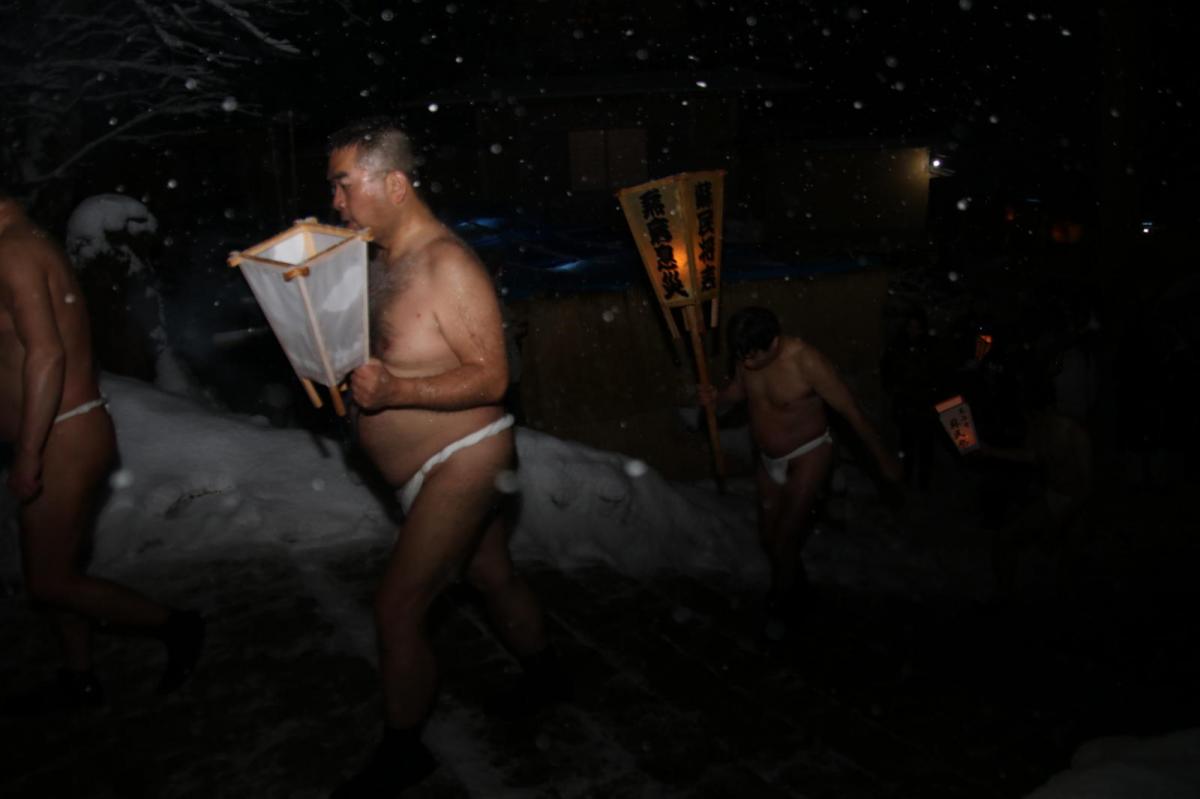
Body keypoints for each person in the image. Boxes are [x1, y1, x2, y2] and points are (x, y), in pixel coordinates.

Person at [326, 118, 566, 797]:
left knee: (397, 607)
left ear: (394, 184)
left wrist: (398, 389)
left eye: (344, 186)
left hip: (463, 456)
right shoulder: (379, 259)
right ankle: (549, 674)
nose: (337, 204)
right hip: (428, 466)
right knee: (490, 572)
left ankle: (405, 753)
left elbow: (492, 377)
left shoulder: (446, 263)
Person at [0, 193, 203, 712]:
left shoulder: (14, 251)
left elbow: (46, 353)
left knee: (48, 582)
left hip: (58, 435)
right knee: (56, 567)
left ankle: (176, 627)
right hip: (57, 432)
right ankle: (78, 675)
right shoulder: (26, 243)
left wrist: (28, 451)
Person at [699, 306, 903, 637]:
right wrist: (718, 397)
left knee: (783, 539)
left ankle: (782, 608)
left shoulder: (806, 361)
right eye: (742, 357)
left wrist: (882, 458)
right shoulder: (747, 350)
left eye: (753, 357)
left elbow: (851, 410)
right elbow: (740, 389)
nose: (746, 363)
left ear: (775, 342)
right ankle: (797, 584)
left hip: (809, 453)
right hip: (767, 458)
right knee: (770, 539)